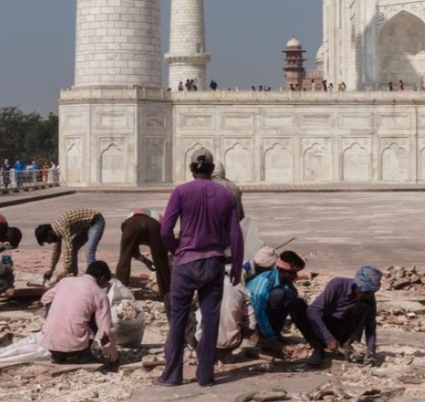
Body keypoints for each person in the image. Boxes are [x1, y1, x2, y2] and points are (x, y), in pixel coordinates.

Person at [158, 146, 243, 387]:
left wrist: (177, 250)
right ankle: (205, 376)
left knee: (178, 319)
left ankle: (172, 375)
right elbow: (235, 235)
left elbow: (165, 230)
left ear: (191, 168)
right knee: (210, 320)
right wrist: (236, 266)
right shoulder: (226, 195)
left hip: (186, 263)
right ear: (212, 168)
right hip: (214, 263)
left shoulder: (181, 191)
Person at [40, 260, 119, 367]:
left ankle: (58, 355)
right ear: (102, 277)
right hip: (76, 346)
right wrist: (111, 355)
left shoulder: (65, 282)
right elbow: (106, 331)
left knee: (75, 309)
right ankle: (82, 354)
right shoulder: (99, 294)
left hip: (50, 343)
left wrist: (57, 316)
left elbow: (45, 299)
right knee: (96, 317)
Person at [246, 248, 317, 359]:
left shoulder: (286, 283)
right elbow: (258, 313)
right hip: (249, 321)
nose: (295, 276)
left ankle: (275, 333)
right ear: (282, 270)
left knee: (291, 296)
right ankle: (262, 337)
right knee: (279, 294)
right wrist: (271, 338)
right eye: (293, 273)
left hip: (264, 319)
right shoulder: (265, 281)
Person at [306, 265, 382, 366]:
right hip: (325, 327)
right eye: (367, 292)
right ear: (358, 286)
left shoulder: (368, 298)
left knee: (365, 306)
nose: (370, 296)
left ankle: (346, 345)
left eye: (372, 293)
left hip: (344, 330)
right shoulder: (337, 285)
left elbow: (370, 326)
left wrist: (371, 349)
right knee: (298, 307)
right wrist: (328, 338)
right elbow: (313, 310)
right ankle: (318, 349)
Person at [35, 208, 106, 282]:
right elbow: (56, 251)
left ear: (49, 233)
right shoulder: (55, 231)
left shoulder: (62, 228)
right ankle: (72, 276)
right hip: (85, 227)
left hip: (96, 221)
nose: (49, 243)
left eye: (47, 241)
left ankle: (94, 278)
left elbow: (68, 247)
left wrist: (66, 270)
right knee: (74, 247)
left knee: (89, 251)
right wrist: (51, 269)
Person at [116, 209, 171, 302]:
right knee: (161, 262)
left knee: (124, 259)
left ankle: (119, 293)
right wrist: (147, 261)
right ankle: (167, 295)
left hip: (132, 224)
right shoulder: (160, 219)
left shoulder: (127, 223)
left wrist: (145, 261)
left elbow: (131, 251)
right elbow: (164, 249)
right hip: (154, 225)